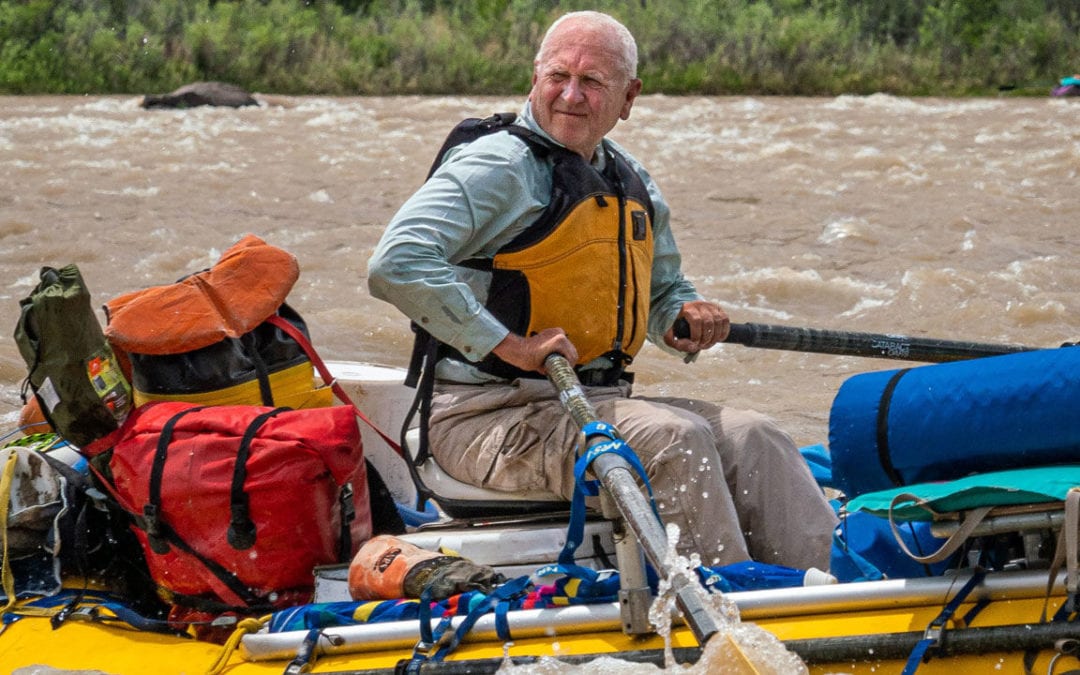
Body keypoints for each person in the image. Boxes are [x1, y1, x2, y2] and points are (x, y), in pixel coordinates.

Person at [368, 10, 837, 570]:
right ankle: (725, 612)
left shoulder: (628, 178)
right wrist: (510, 345)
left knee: (759, 436)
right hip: (481, 419)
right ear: (534, 79)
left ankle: (818, 596)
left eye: (592, 82)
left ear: (629, 97)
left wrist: (682, 315)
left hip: (589, 404)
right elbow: (396, 262)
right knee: (671, 437)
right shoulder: (497, 166)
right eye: (558, 77)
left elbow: (664, 293)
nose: (571, 95)